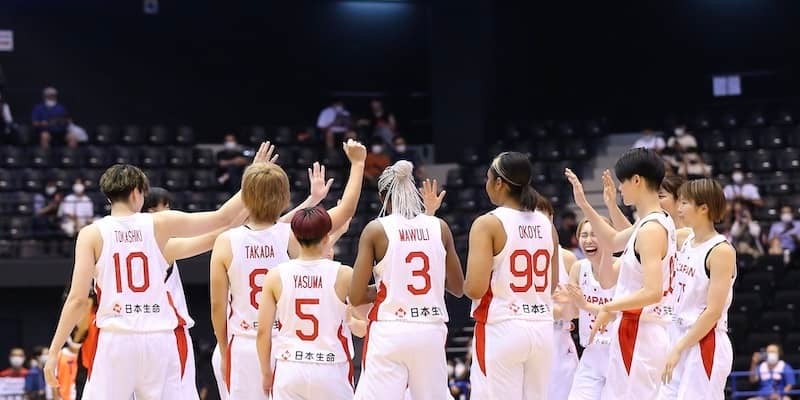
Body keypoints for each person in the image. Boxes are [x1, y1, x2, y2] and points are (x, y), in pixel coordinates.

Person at [43, 142, 274, 399]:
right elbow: (223, 218)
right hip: (160, 339)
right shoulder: (160, 222)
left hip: (116, 339)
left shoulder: (91, 234)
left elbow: (77, 300)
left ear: (109, 197)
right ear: (136, 193)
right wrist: (253, 178)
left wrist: (53, 352)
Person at [210, 140, 365, 400]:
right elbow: (346, 209)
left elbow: (217, 306)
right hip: (285, 346)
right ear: (284, 198)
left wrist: (225, 349)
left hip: (244, 343)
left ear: (245, 197)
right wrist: (358, 164)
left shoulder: (226, 241)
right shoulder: (290, 234)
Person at [565, 147, 676, 398]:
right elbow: (613, 241)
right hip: (642, 330)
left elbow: (653, 291)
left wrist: (608, 306)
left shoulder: (650, 229)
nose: (620, 188)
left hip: (640, 331)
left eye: (622, 181)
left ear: (636, 180)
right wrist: (584, 204)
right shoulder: (656, 221)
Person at [350, 160, 464, 400]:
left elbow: (356, 295)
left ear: (382, 197)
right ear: (413, 190)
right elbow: (457, 287)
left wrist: (392, 285)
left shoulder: (376, 229)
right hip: (430, 331)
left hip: (390, 329)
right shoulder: (440, 227)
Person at [463, 151, 559, 399]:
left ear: (499, 183)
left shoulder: (488, 223)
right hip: (542, 328)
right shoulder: (547, 224)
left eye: (488, 178)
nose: (486, 184)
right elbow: (552, 285)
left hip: (502, 326)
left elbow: (475, 289)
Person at [142, 187, 249, 400]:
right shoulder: (164, 248)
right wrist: (251, 195)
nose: (164, 215)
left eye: (167, 208)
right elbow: (218, 232)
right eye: (154, 211)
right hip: (167, 336)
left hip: (134, 335)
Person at [256, 206, 356, 399]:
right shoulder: (344, 274)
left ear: (294, 236)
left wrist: (266, 372)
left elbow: (263, 332)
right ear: (326, 237)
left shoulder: (275, 275)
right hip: (331, 367)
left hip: (290, 367)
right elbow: (366, 317)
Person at [660, 179, 736, 399]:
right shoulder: (686, 238)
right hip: (678, 333)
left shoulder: (721, 251)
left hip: (705, 340)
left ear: (703, 208)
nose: (679, 207)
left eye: (685, 203)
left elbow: (713, 312)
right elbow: (639, 237)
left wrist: (679, 347)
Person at [560, 218, 619, 400]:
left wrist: (584, 304)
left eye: (595, 234)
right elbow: (572, 313)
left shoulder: (622, 267)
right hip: (591, 352)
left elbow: (619, 314)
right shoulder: (578, 268)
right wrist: (564, 302)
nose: (588, 240)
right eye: (584, 235)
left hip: (618, 352)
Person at [538, 197, 579, 400]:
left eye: (542, 217)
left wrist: (569, 307)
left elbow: (579, 310)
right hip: (531, 341)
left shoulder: (568, 258)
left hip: (560, 342)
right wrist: (557, 310)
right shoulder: (515, 258)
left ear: (551, 219)